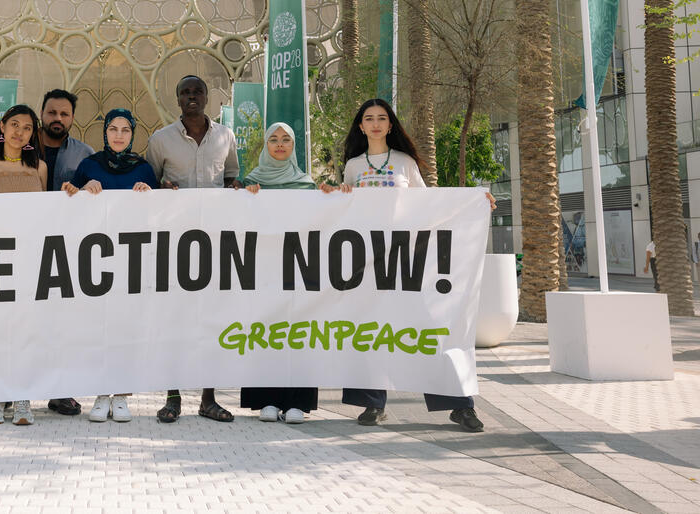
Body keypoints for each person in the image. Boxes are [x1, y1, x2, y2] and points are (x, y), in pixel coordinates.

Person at [321, 97, 487, 433]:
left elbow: (427, 203)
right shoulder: (353, 165)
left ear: (391, 124)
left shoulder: (405, 162)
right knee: (367, 331)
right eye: (369, 118)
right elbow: (348, 209)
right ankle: (372, 403)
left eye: (382, 118)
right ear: (360, 126)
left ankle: (459, 405)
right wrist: (337, 194)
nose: (376, 123)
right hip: (367, 259)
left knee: (429, 327)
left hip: (406, 257)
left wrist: (475, 203)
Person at [145, 75, 240, 424]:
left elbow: (231, 177)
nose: (191, 97)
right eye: (184, 92)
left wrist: (238, 188)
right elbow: (150, 183)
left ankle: (209, 399)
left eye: (197, 91)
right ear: (177, 99)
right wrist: (161, 186)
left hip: (214, 243)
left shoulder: (225, 137)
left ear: (207, 97)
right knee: (175, 320)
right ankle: (172, 398)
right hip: (175, 243)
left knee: (209, 321)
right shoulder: (160, 140)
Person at [63, 108, 156, 423]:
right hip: (96, 260)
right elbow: (68, 203)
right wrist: (81, 192)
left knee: (126, 327)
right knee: (99, 327)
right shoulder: (89, 165)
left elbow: (158, 217)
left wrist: (149, 195)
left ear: (133, 134)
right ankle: (101, 394)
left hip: (132, 261)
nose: (118, 135)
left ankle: (122, 396)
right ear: (105, 133)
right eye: (113, 129)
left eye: (125, 130)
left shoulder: (143, 169)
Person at [240, 122, 319, 424]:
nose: (280, 144)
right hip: (263, 270)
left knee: (298, 331)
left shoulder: (306, 184)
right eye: (273, 139)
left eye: (286, 139)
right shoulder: (253, 182)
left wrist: (330, 195)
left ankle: (297, 402)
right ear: (265, 146)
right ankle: (267, 400)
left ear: (293, 146)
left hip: (299, 268)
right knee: (265, 329)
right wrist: (246, 196)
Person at [0, 104, 47, 425]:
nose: (19, 132)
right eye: (14, 124)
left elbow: (47, 213)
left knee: (25, 330)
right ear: (2, 126)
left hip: (29, 259)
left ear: (33, 134)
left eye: (27, 127)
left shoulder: (40, 169)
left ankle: (22, 398)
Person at [38, 89, 94, 417]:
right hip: (22, 247)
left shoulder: (85, 155)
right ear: (41, 113)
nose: (57, 119)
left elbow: (95, 196)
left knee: (63, 323)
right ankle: (5, 388)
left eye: (64, 114)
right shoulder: (20, 148)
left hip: (66, 251)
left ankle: (61, 391)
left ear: (72, 118)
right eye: (52, 113)